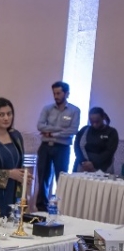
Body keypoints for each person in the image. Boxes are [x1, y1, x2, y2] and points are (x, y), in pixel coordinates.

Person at [35, 81, 80, 210]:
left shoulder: (74, 110)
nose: (56, 96)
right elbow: (40, 125)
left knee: (61, 179)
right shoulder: (47, 109)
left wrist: (51, 133)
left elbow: (73, 130)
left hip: (62, 148)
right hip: (45, 147)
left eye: (59, 93)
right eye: (54, 93)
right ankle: (41, 207)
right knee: (43, 176)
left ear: (66, 93)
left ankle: (60, 206)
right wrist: (60, 131)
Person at [74, 107, 118, 174]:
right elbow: (77, 146)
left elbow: (109, 152)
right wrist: (84, 162)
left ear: (103, 117)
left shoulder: (111, 132)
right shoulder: (84, 130)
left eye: (97, 121)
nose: (94, 124)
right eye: (92, 122)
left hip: (102, 168)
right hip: (83, 166)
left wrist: (93, 164)